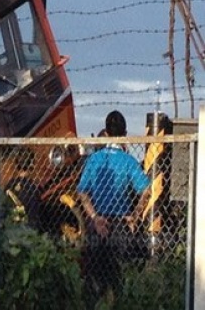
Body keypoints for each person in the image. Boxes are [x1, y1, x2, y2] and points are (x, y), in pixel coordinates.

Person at [77, 110, 151, 307]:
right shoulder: (128, 161)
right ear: (124, 133)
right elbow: (146, 190)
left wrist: (94, 216)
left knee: (94, 279)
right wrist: (134, 215)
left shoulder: (94, 160)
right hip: (120, 225)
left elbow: (82, 193)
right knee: (118, 279)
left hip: (98, 223)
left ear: (107, 133)